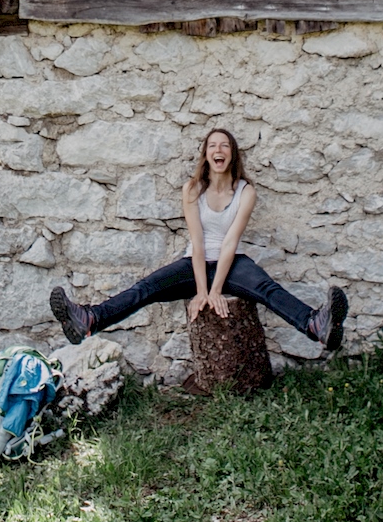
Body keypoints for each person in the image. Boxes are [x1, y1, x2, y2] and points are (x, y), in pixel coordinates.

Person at [49, 128, 347, 353]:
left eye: (225, 145)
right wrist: (202, 292)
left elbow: (230, 242)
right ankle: (89, 320)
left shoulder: (246, 192)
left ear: (232, 154)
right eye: (212, 145)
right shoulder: (192, 189)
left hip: (233, 263)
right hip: (195, 262)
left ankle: (315, 324)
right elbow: (198, 241)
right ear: (206, 154)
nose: (219, 150)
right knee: (146, 288)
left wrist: (216, 290)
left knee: (267, 288)